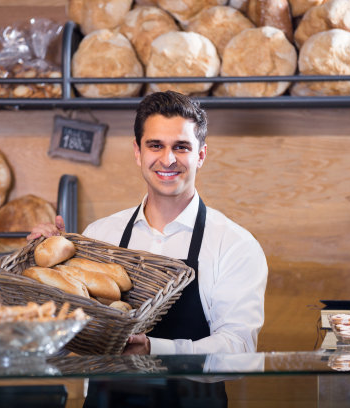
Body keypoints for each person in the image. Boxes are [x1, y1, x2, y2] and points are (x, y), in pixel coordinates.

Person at [29, 90, 267, 406]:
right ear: (138, 152)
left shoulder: (234, 244)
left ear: (201, 155)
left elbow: (239, 353)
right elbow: (59, 346)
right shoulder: (100, 235)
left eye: (181, 147)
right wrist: (47, 278)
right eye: (155, 145)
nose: (167, 159)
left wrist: (154, 349)